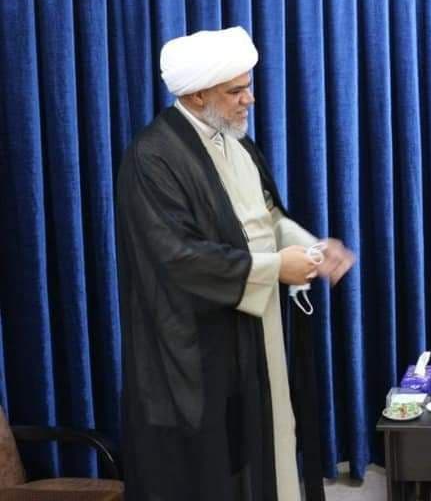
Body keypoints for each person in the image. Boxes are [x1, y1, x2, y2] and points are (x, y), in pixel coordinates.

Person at [116, 26, 355, 500]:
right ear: (197, 94)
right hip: (195, 345)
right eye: (235, 91)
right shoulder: (153, 156)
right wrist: (274, 269)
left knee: (268, 446)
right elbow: (177, 257)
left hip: (255, 325)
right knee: (214, 472)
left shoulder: (236, 141)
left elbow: (266, 218)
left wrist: (311, 248)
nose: (250, 99)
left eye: (249, 86)